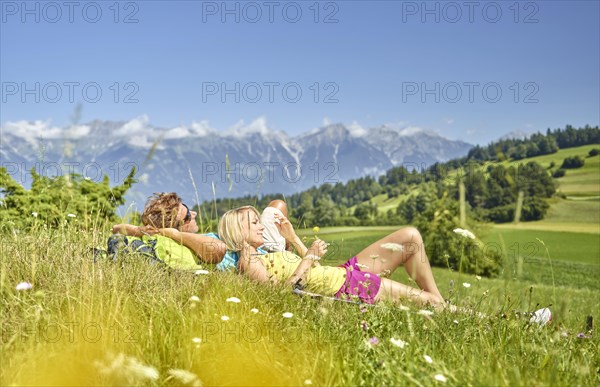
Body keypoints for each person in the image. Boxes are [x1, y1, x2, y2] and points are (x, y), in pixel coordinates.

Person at [218, 205, 446, 308]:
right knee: (432, 302)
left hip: (341, 273)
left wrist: (294, 238)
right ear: (239, 231)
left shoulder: (261, 254)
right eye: (255, 223)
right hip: (347, 286)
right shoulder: (248, 261)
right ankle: (452, 311)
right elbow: (282, 296)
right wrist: (308, 258)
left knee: (410, 237)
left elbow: (308, 270)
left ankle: (443, 308)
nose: (261, 228)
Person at [112, 193, 291, 270]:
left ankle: (287, 244)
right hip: (262, 256)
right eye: (188, 215)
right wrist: (173, 234)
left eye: (188, 208)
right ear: (176, 227)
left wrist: (147, 231)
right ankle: (288, 247)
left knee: (276, 206)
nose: (195, 213)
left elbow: (117, 228)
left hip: (255, 244)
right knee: (279, 207)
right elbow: (218, 248)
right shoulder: (190, 243)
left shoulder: (173, 234)